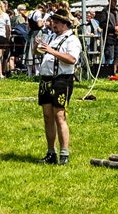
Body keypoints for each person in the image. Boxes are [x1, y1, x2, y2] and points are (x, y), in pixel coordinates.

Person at [34, 8, 83, 162]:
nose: (52, 24)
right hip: (46, 79)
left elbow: (71, 59)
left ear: (64, 24)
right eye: (52, 21)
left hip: (62, 79)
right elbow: (39, 54)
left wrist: (51, 51)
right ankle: (51, 152)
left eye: (56, 22)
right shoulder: (51, 37)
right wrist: (38, 47)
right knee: (47, 116)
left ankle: (64, 153)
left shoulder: (72, 39)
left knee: (59, 116)